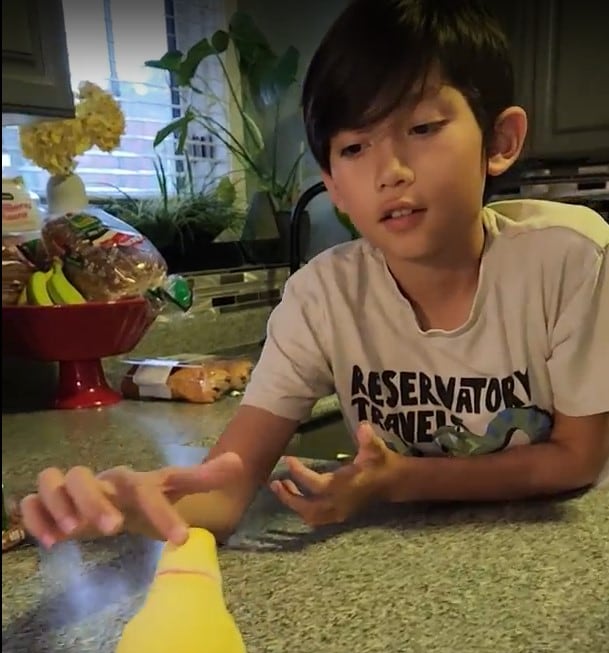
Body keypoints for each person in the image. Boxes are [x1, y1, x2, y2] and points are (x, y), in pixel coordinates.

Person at [21, 0, 609, 550]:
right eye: (354, 148)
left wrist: (401, 481)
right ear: (333, 186)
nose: (390, 171)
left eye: (423, 128)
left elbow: (576, 458)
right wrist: (127, 506)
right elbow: (225, 488)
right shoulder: (322, 298)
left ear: (500, 141)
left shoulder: (566, 264)